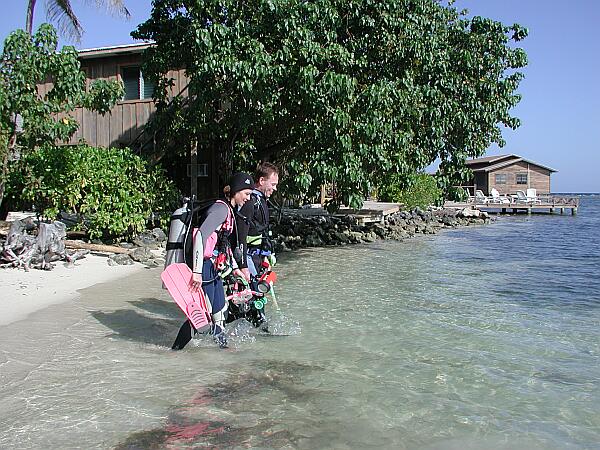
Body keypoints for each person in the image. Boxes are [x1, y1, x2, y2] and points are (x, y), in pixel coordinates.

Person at [171, 172, 254, 350]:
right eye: (246, 193)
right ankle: (174, 350)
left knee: (219, 310)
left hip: (213, 267)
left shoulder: (230, 210)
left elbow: (223, 244)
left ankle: (223, 347)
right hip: (204, 266)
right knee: (202, 314)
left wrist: (235, 268)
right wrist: (197, 271)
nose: (248, 198)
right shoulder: (221, 209)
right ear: (237, 190)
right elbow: (200, 235)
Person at [227, 162, 279, 328]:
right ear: (262, 180)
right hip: (247, 256)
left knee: (256, 294)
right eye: (273, 184)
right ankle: (256, 327)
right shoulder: (251, 202)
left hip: (257, 256)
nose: (275, 188)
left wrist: (267, 254)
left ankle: (251, 327)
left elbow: (263, 232)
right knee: (254, 293)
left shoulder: (261, 201)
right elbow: (241, 236)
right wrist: (242, 265)